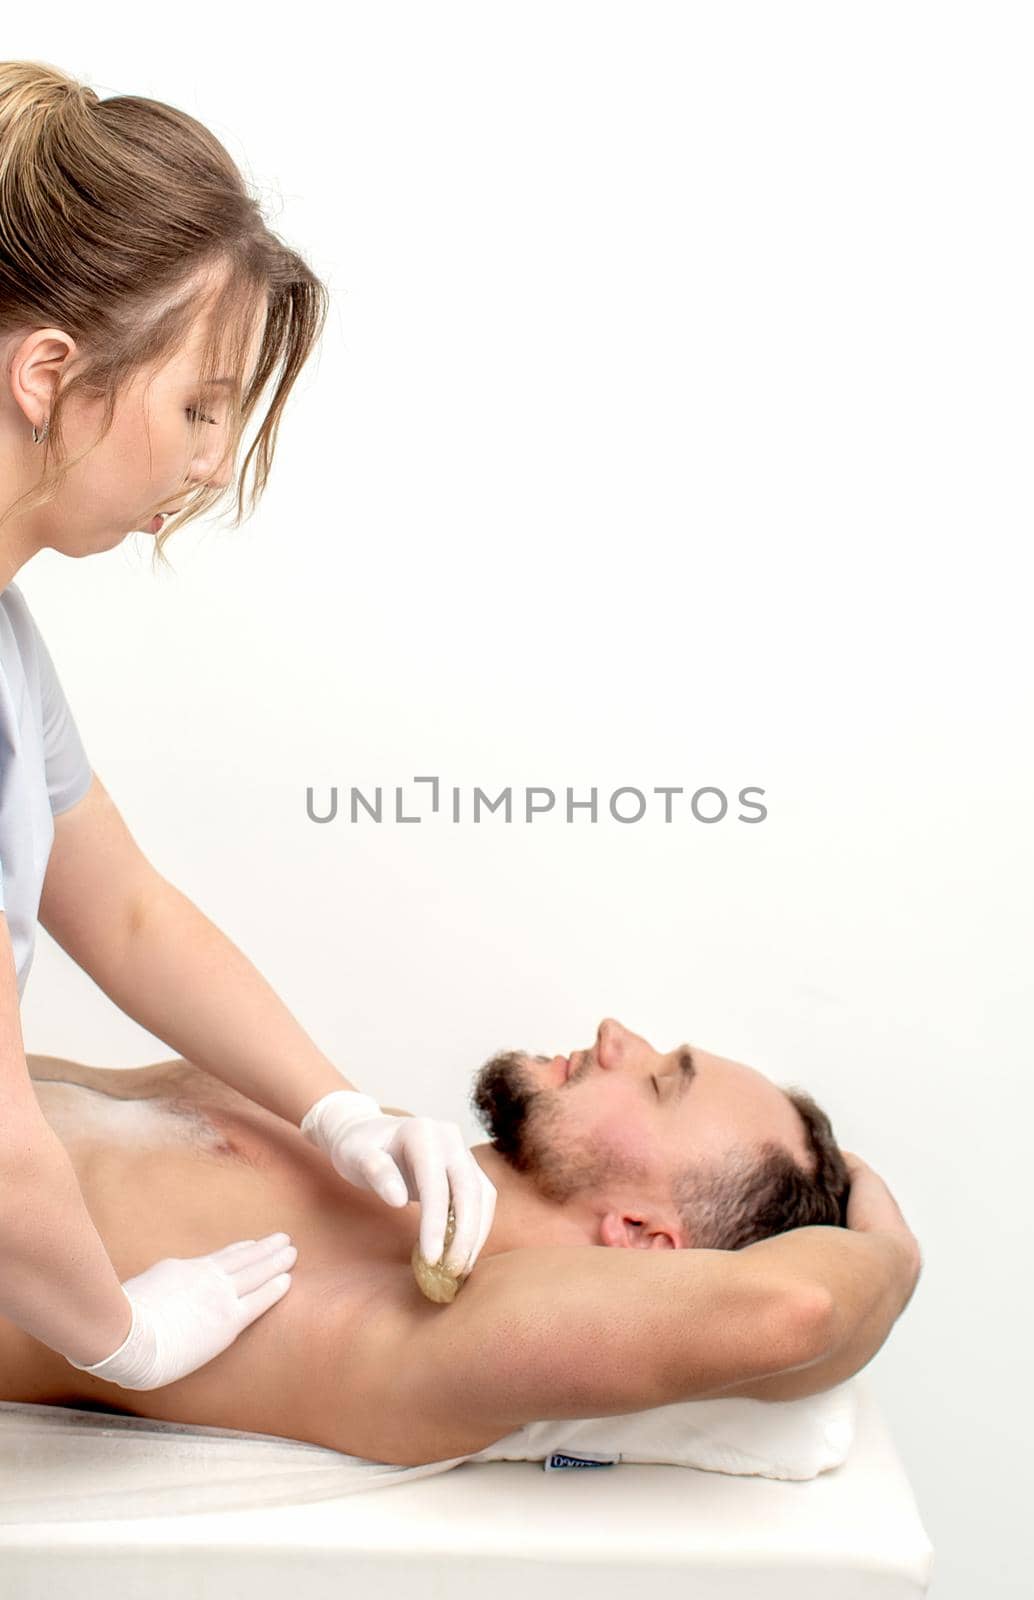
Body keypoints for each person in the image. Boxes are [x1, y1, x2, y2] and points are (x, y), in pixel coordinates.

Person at [0, 61, 494, 1397]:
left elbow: (130, 911)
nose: (213, 464)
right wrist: (124, 1336)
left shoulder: (8, 651)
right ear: (50, 372)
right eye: (197, 407)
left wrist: (336, 1110)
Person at [0, 1017, 922, 1467]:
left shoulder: (450, 1332)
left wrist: (895, 1247)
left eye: (655, 1085)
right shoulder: (366, 1136)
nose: (614, 1038)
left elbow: (799, 1311)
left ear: (641, 1238)